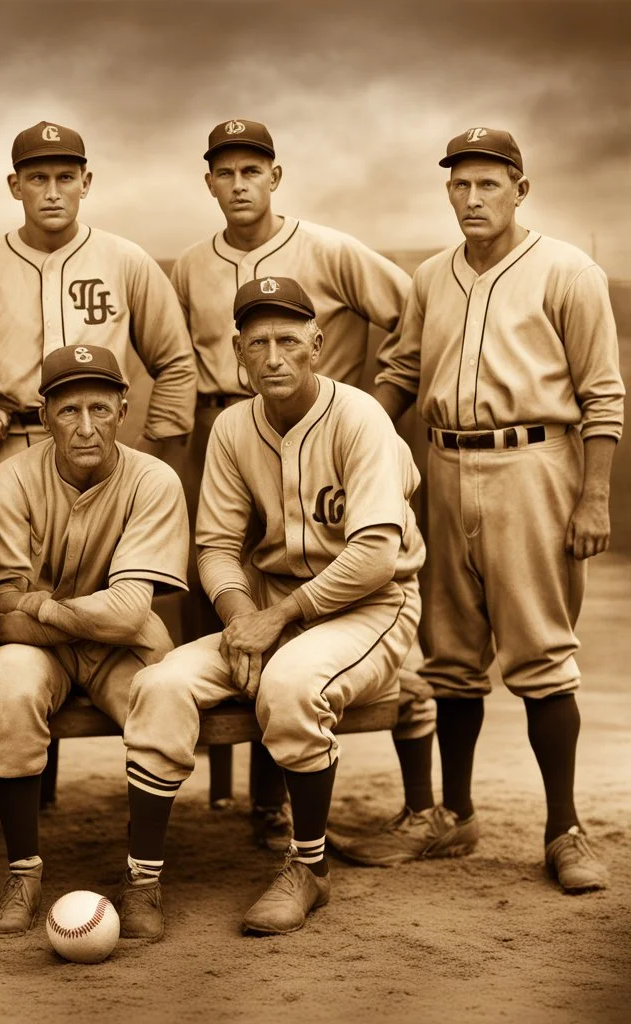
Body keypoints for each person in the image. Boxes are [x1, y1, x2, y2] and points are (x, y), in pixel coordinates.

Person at [330, 128, 623, 893]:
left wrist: (594, 495)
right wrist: (352, 438)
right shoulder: (431, 276)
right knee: (451, 656)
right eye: (459, 185)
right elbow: (400, 370)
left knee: (540, 653)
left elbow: (602, 395)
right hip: (445, 462)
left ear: (520, 190)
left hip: (536, 462)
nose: (471, 199)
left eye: (488, 184)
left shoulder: (569, 270)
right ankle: (451, 817)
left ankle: (564, 829)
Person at [115, 276, 424, 939]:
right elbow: (217, 548)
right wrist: (238, 619)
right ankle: (141, 876)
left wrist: (274, 621)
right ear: (239, 353)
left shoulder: (360, 416)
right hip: (271, 610)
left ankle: (307, 868)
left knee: (289, 685)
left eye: (290, 340)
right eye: (259, 343)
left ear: (317, 345)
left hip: (374, 608)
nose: (275, 356)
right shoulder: (231, 426)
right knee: (159, 683)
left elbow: (374, 556)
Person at [170, 118, 433, 847]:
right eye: (225, 171)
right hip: (231, 432)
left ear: (275, 176)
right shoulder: (192, 263)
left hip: (330, 436)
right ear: (209, 182)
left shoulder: (329, 248)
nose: (239, 182)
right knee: (242, 607)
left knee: (340, 600)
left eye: (252, 169)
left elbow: (413, 310)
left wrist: (382, 403)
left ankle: (352, 796)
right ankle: (260, 802)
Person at [0, 344, 189, 939]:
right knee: (11, 683)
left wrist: (39, 604)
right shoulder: (9, 480)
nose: (86, 426)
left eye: (100, 406)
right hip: (37, 651)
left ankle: (144, 880)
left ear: (124, 407)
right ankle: (23, 874)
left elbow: (127, 618)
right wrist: (83, 614)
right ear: (44, 416)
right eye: (69, 410)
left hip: (117, 651)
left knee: (162, 693)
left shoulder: (153, 479)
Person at [0, 120, 196, 483]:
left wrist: (148, 450)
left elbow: (176, 363)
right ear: (16, 186)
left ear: (85, 183)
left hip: (98, 446)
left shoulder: (127, 260)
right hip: (9, 442)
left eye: (65, 178)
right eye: (38, 179)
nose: (53, 193)